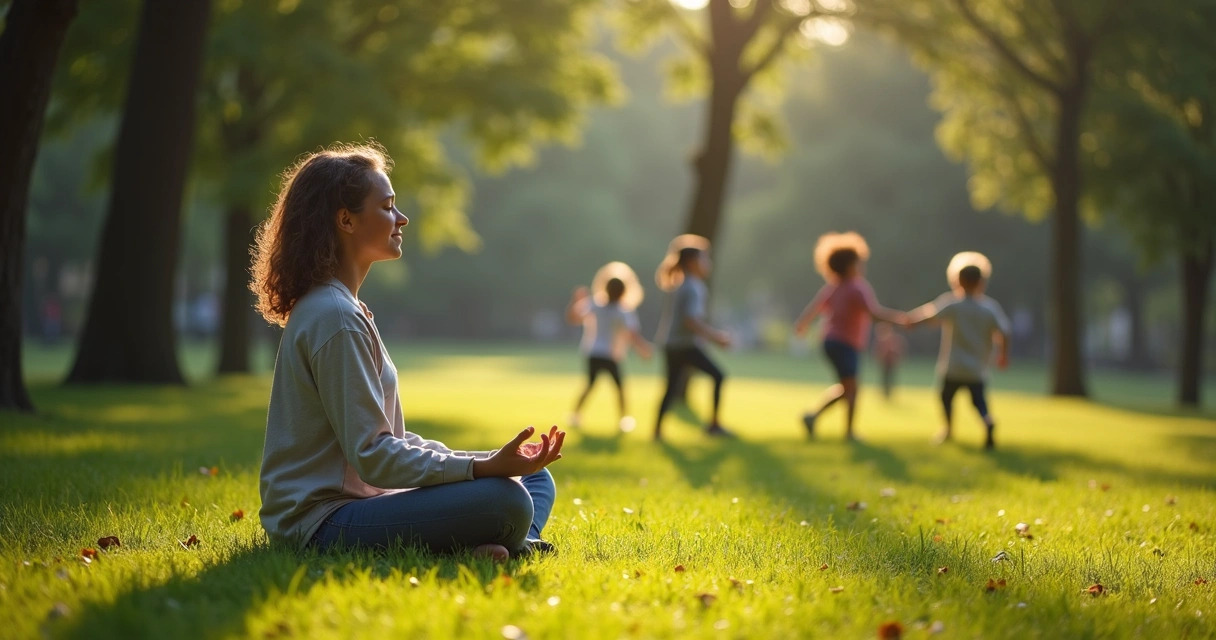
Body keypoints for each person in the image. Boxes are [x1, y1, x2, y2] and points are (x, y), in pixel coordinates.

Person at [251, 143, 565, 561]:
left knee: (535, 479)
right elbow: (374, 456)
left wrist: (485, 459)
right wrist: (481, 470)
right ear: (345, 219)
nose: (402, 218)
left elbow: (391, 441)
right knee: (506, 499)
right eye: (386, 206)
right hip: (323, 522)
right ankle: (505, 542)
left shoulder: (344, 308)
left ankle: (490, 545)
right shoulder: (334, 317)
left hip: (369, 500)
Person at [794, 232, 905, 441]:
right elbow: (874, 314)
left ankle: (813, 416)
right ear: (849, 265)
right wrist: (901, 319)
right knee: (852, 389)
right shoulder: (857, 287)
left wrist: (802, 324)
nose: (862, 266)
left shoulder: (834, 287)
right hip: (845, 343)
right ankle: (849, 432)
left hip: (829, 341)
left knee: (847, 388)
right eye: (859, 262)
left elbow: (815, 307)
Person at [905, 253, 1010, 449]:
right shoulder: (989, 308)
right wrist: (1003, 355)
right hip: (977, 368)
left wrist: (910, 321)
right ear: (981, 282)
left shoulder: (953, 304)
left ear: (957, 280)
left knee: (946, 398)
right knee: (979, 402)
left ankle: (948, 430)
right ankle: (987, 421)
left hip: (953, 365)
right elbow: (1005, 332)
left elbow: (930, 314)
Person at [653, 235, 734, 441]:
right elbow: (691, 321)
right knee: (718, 375)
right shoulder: (693, 287)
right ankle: (714, 425)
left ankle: (657, 431)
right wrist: (717, 337)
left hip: (672, 345)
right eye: (704, 258)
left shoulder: (680, 284)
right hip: (684, 345)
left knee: (670, 388)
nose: (708, 263)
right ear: (692, 262)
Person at [566, 262, 653, 432]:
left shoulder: (595, 305)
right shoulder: (622, 311)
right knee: (619, 388)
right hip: (609, 354)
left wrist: (575, 301)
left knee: (590, 385)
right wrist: (644, 349)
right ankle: (623, 420)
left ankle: (575, 415)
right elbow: (632, 334)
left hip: (594, 352)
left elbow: (573, 318)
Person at [873, 322, 907, 400]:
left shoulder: (894, 339)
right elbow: (877, 352)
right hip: (884, 363)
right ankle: (885, 393)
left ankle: (889, 393)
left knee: (891, 378)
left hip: (891, 363)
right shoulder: (881, 340)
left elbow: (899, 351)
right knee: (884, 378)